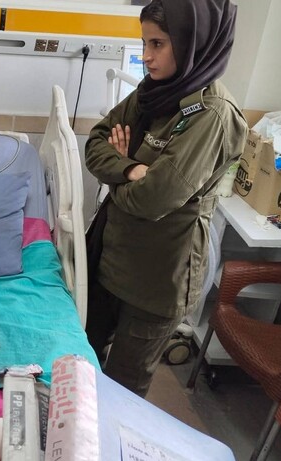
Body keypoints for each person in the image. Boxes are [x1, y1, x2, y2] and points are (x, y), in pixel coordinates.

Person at [83, 0, 248, 397]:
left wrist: (118, 170)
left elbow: (152, 200)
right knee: (82, 368)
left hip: (156, 281)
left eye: (157, 44)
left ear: (193, 42)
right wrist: (130, 169)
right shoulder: (152, 94)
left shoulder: (212, 115)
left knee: (122, 391)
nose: (146, 56)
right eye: (144, 43)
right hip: (110, 260)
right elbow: (94, 143)